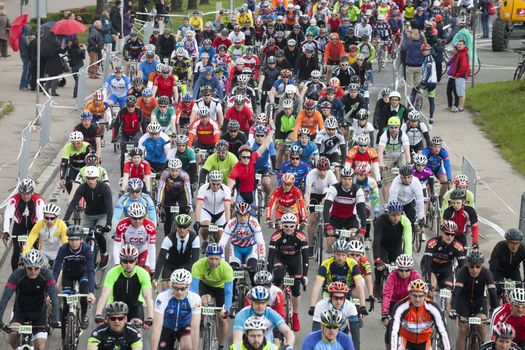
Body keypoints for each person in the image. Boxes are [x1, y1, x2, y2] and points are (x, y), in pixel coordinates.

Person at [0, 250, 60, 350]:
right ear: (24, 266)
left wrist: (55, 319)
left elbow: (54, 297)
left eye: (36, 268)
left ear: (41, 266)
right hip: (20, 312)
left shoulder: (47, 274)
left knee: (40, 347)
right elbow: (5, 298)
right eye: (29, 268)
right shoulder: (16, 275)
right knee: (13, 336)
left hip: (39, 313)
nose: (33, 271)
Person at [63, 166, 112, 267]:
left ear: (97, 178)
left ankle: (104, 254)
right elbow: (73, 203)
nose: (90, 181)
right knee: (83, 236)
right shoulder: (82, 187)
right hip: (89, 215)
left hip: (102, 215)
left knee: (98, 233)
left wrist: (108, 223)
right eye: (88, 178)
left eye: (93, 178)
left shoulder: (104, 188)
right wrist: (66, 219)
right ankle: (83, 257)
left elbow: (109, 207)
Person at [267, 213, 309, 331]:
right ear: (281, 225)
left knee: (296, 289)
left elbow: (305, 258)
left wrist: (304, 275)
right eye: (286, 226)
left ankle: (295, 315)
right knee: (278, 277)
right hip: (280, 258)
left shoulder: (301, 236)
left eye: (291, 226)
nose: (289, 229)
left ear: (295, 226)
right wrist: (269, 273)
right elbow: (270, 257)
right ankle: (276, 307)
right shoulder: (276, 236)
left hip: (295, 260)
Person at [95, 244, 154, 328]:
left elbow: (148, 297)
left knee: (137, 329)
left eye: (131, 261)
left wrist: (150, 317)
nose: (128, 264)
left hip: (135, 306)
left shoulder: (143, 274)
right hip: (115, 305)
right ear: (120, 261)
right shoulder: (112, 273)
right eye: (125, 261)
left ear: (136, 261)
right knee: (112, 330)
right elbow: (104, 296)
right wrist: (98, 313)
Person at [451, 250, 499, 350]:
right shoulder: (462, 272)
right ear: (467, 265)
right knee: (463, 329)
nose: (474, 270)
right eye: (471, 266)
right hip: (464, 301)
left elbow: (493, 293)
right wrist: (453, 309)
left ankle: (482, 345)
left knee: (481, 325)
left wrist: (496, 309)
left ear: (482, 265)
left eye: (478, 267)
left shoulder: (486, 273)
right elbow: (457, 292)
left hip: (479, 302)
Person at [191, 243, 234, 349]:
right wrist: (195, 306)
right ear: (206, 257)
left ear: (220, 258)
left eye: (216, 259)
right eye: (211, 259)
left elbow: (228, 292)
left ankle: (221, 345)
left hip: (221, 289)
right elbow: (193, 290)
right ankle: (201, 321)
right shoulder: (198, 265)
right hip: (205, 286)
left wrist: (226, 309)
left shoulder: (227, 268)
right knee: (203, 301)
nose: (214, 262)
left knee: (222, 319)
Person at [53, 226, 97, 331]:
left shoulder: (86, 249)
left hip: (83, 273)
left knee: (84, 292)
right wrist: (52, 286)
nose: (74, 242)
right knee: (66, 307)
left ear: (81, 240)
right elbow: (56, 269)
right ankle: (64, 340)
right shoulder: (63, 249)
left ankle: (83, 315)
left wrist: (91, 292)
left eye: (76, 239)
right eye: (71, 240)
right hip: (68, 274)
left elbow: (91, 271)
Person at [390, 279, 451, 350]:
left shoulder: (432, 308)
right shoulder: (401, 306)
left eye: (421, 296)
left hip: (424, 341)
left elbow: (442, 332)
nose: (417, 299)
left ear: (425, 295)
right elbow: (394, 331)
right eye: (414, 296)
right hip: (406, 340)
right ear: (409, 294)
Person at [151, 269, 201, 350]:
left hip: (184, 326)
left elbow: (195, 328)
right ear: (171, 285)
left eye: (183, 288)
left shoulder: (195, 298)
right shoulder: (162, 297)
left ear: (189, 286)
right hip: (167, 327)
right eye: (176, 288)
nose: (179, 292)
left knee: (188, 347)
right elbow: (157, 326)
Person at [2, 178, 45, 271]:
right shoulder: (13, 200)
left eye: (28, 193)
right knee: (16, 252)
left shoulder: (38, 200)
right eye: (23, 193)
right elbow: (8, 216)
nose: (25, 196)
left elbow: (40, 216)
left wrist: (40, 232)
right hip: (19, 227)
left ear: (32, 192)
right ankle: (14, 274)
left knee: (38, 249)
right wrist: (6, 231)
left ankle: (41, 271)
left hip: (33, 226)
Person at [219, 202, 265, 284]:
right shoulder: (231, 223)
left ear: (249, 214)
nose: (242, 218)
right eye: (240, 215)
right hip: (236, 249)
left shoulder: (254, 222)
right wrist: (221, 259)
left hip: (250, 248)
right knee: (232, 277)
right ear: (236, 214)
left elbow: (260, 242)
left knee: (253, 273)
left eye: (245, 215)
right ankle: (232, 296)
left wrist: (262, 258)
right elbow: (222, 243)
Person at [372, 201, 413, 294]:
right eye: (393, 215)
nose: (396, 218)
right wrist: (376, 259)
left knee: (401, 269)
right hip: (383, 247)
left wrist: (408, 258)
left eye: (399, 215)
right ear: (388, 213)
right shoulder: (381, 220)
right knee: (381, 267)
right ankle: (378, 283)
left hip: (396, 247)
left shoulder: (405, 221)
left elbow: (408, 241)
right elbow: (376, 241)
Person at [323, 167, 367, 250]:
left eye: (349, 179)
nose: (347, 182)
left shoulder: (358, 190)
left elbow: (362, 209)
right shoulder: (334, 188)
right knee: (330, 245)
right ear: (341, 179)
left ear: (353, 179)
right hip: (335, 218)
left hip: (350, 219)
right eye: (344, 179)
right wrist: (327, 224)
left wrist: (363, 227)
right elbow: (326, 207)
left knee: (354, 240)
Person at [421, 220, 466, 292]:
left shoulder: (458, 246)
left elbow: (463, 268)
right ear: (442, 232)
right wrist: (428, 281)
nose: (450, 237)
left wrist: (462, 285)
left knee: (448, 294)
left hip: (445, 269)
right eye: (447, 233)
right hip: (431, 266)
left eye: (452, 234)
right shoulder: (432, 242)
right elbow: (427, 264)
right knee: (431, 288)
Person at [111, 95, 148, 177]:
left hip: (135, 132)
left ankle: (140, 172)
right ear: (126, 106)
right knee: (123, 155)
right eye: (129, 106)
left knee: (138, 152)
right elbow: (117, 125)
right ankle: (122, 175)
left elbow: (144, 125)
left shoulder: (139, 112)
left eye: (132, 106)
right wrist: (115, 138)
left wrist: (146, 137)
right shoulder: (122, 112)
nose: (130, 108)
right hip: (125, 133)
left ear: (135, 105)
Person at [388, 164, 425, 238]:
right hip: (398, 202)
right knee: (396, 220)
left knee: (411, 219)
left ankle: (409, 238)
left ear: (412, 176)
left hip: (409, 201)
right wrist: (392, 214)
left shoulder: (416, 182)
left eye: (409, 177)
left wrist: (421, 217)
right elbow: (392, 198)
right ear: (400, 177)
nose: (407, 180)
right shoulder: (396, 182)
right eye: (404, 178)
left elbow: (420, 200)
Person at [490, 228, 525, 300]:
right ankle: (494, 307)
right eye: (512, 243)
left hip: (514, 272)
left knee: (519, 293)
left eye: (517, 243)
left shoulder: (522, 248)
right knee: (496, 290)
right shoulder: (499, 247)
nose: (514, 246)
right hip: (499, 272)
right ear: (507, 241)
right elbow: (493, 265)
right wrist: (491, 280)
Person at [451, 39, 470, 112]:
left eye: (461, 44)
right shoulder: (460, 53)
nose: (459, 46)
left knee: (461, 93)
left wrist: (457, 74)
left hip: (461, 76)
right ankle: (460, 107)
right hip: (460, 75)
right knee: (460, 92)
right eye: (458, 44)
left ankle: (461, 108)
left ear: (464, 45)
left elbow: (463, 66)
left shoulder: (463, 54)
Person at [19, 25, 32, 90]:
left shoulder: (23, 37)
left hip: (25, 55)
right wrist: (31, 42)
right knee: (26, 71)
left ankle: (26, 84)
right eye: (28, 30)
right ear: (26, 30)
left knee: (29, 70)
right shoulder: (23, 37)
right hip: (25, 55)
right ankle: (22, 85)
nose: (29, 31)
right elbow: (28, 47)